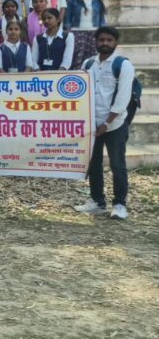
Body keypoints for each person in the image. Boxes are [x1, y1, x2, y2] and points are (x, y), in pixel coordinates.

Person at [76, 27, 137, 220]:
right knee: (93, 163)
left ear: (115, 42)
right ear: (96, 41)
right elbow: (80, 92)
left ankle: (119, 205)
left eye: (109, 40)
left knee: (117, 165)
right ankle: (97, 202)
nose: (105, 43)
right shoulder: (88, 63)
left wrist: (107, 123)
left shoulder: (123, 65)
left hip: (115, 124)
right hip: (92, 123)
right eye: (101, 39)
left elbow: (123, 98)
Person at [65, 0, 106, 68]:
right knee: (77, 56)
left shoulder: (97, 1)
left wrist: (103, 31)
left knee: (93, 56)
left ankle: (91, 74)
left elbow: (101, 18)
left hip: (94, 32)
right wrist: (68, 30)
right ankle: (77, 74)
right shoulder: (72, 1)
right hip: (77, 32)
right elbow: (67, 18)